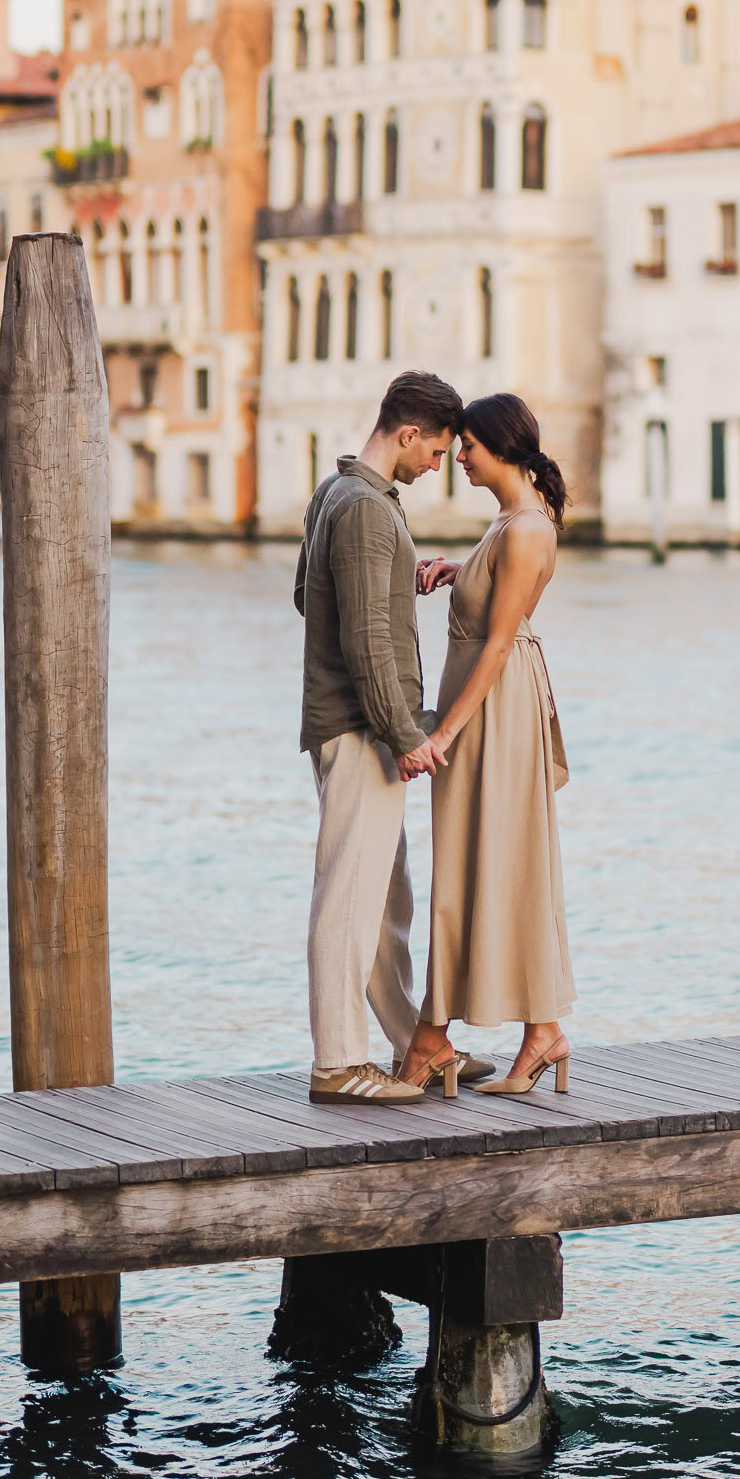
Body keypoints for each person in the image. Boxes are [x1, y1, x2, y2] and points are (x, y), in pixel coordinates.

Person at [295, 371, 493, 1104]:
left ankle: (412, 1043)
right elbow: (366, 641)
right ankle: (338, 1064)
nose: (438, 466)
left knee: (384, 900)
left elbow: (305, 596)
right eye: (437, 453)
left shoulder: (337, 494)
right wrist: (405, 734)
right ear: (408, 435)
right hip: (363, 730)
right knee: (349, 896)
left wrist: (388, 579)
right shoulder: (368, 511)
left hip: (355, 726)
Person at [398, 393, 575, 1099]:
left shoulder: (526, 527)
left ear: (498, 445)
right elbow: (494, 606)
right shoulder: (508, 522)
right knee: (481, 862)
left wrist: (443, 730)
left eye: (466, 445)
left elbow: (500, 643)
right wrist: (459, 572)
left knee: (498, 862)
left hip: (493, 712)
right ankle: (526, 1033)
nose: (458, 457)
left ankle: (473, 1033)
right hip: (490, 707)